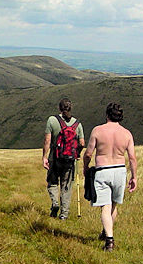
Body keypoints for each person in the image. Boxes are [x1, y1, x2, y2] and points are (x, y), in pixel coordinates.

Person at [82, 102, 137, 251]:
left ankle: (109, 240)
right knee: (113, 205)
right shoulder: (126, 134)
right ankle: (107, 232)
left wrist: (85, 167)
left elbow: (88, 153)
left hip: (102, 170)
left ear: (107, 115)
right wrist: (134, 177)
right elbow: (132, 157)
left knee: (105, 207)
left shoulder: (98, 131)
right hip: (119, 170)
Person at [42, 97, 85, 220]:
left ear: (59, 108)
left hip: (54, 159)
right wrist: (77, 153)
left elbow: (47, 140)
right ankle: (64, 215)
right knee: (66, 187)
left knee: (52, 182)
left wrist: (44, 156)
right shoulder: (77, 124)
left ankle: (55, 203)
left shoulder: (52, 120)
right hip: (70, 161)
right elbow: (82, 143)